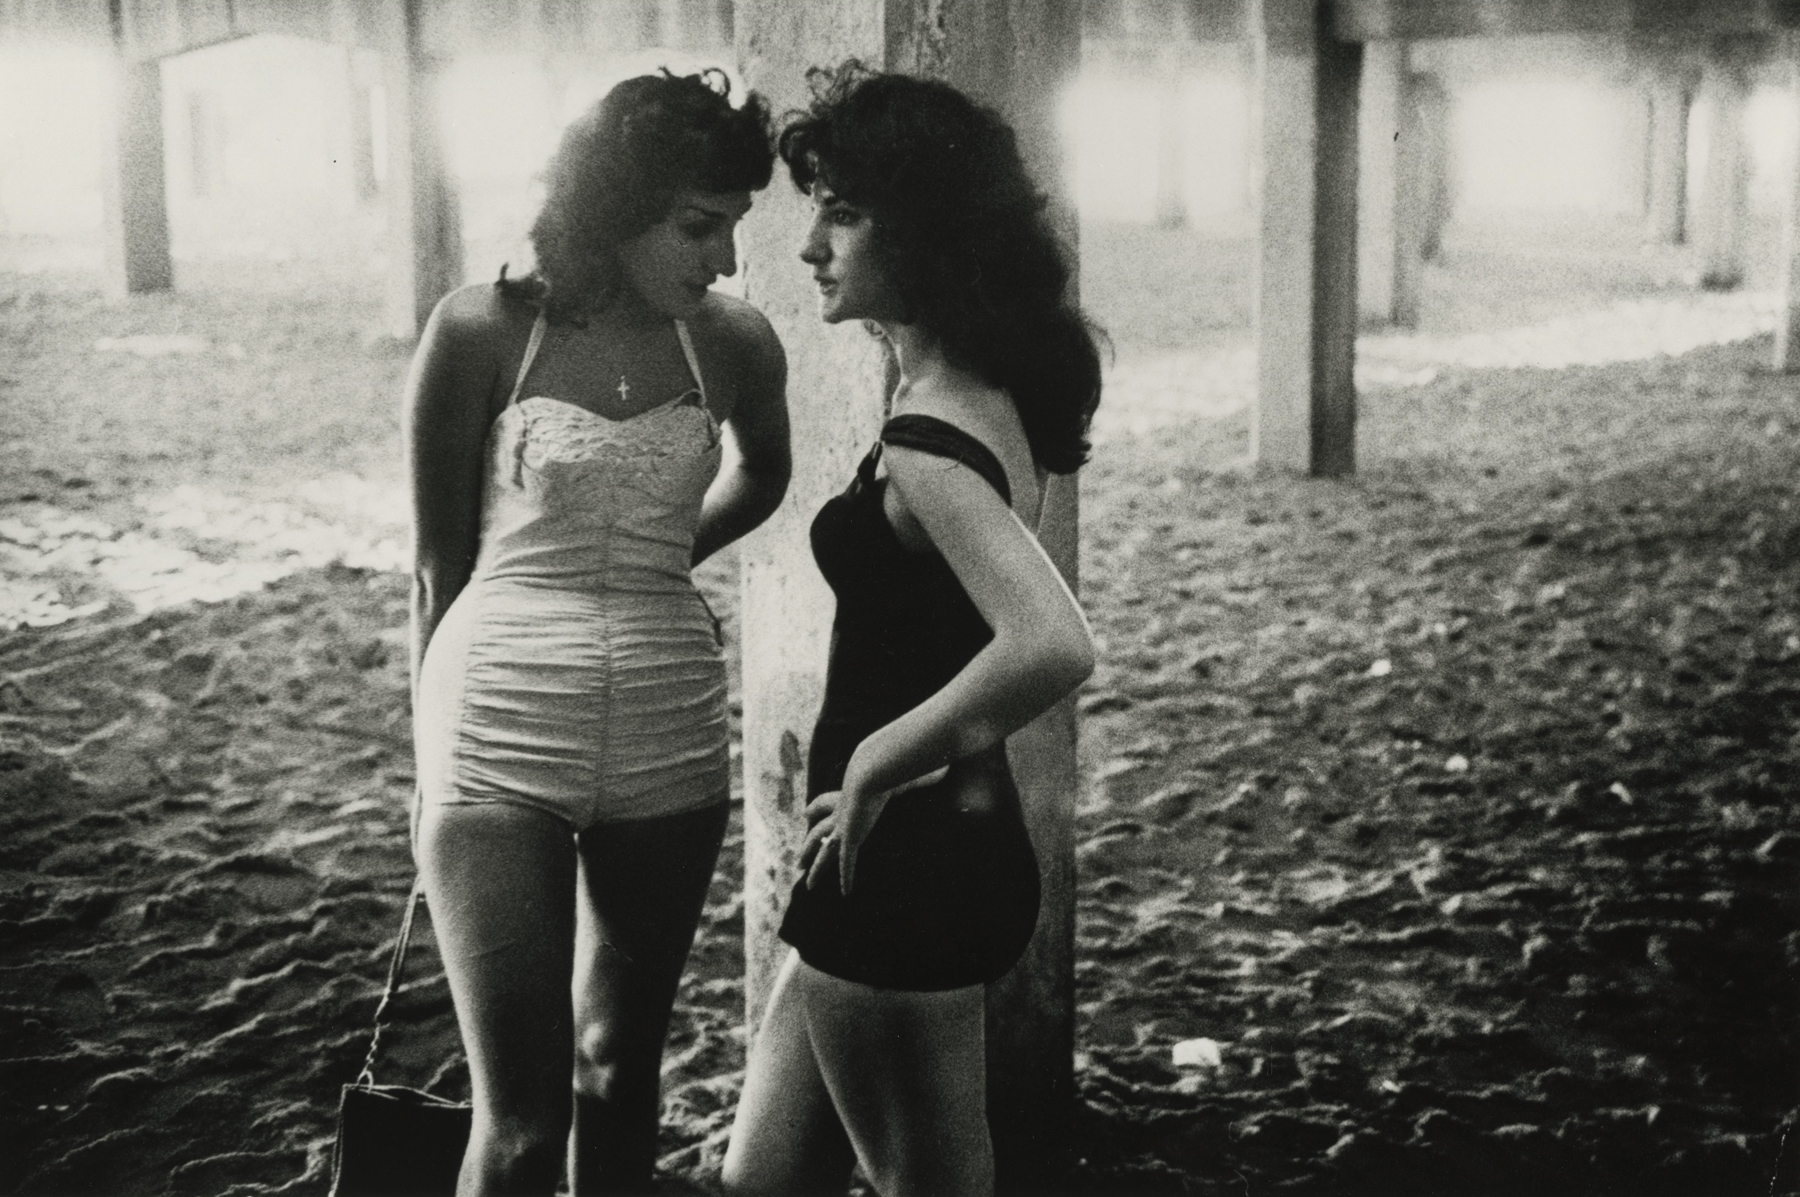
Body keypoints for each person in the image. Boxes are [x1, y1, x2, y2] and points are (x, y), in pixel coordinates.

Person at [406, 70, 788, 1196]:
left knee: (621, 1075)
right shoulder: (480, 330)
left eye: (734, 228)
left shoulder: (735, 346)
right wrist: (425, 759)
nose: (722, 258)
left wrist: (670, 555)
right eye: (698, 225)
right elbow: (437, 562)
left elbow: (767, 475)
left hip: (669, 718)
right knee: (522, 1122)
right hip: (497, 711)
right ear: (615, 207)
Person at [721, 64, 1100, 1197]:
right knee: (764, 1180)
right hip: (920, 852)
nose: (810, 246)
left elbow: (1053, 643)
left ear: (924, 232)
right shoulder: (982, 391)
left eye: (842, 211)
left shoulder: (930, 440)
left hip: (905, 862)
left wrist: (882, 756)